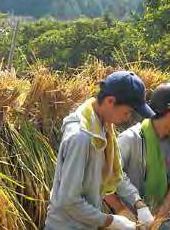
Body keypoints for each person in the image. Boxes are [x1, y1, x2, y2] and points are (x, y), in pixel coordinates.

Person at [45, 71, 155, 230]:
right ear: (110, 101)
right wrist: (112, 221)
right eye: (127, 112)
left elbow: (114, 173)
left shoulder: (104, 130)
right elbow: (69, 200)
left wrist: (138, 204)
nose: (128, 118)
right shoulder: (81, 137)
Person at [106, 83, 170, 229]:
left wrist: (159, 218)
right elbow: (112, 176)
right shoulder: (131, 139)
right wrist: (133, 207)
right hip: (133, 220)